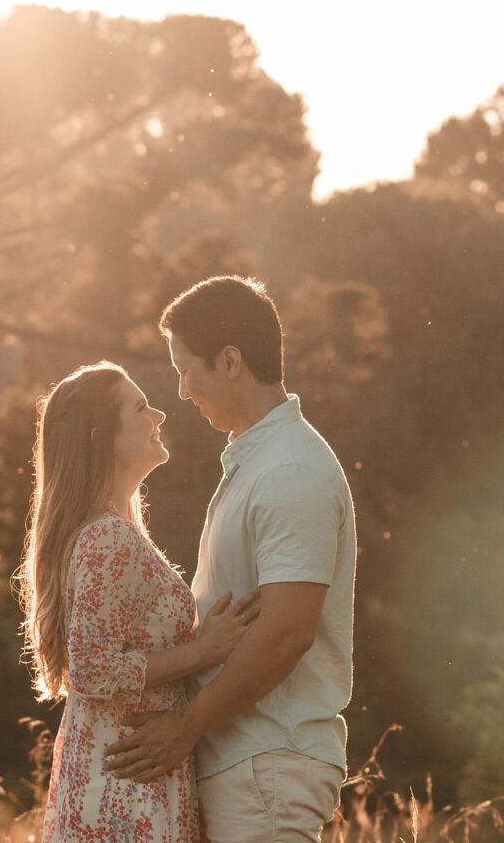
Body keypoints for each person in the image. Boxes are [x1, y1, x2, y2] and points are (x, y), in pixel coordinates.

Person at [107, 276, 358, 843]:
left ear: (230, 361)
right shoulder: (260, 462)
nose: (181, 390)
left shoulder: (289, 471)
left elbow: (289, 630)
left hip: (266, 764)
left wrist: (184, 728)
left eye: (186, 369)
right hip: (248, 763)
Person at [19, 361, 263, 842]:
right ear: (101, 437)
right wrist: (204, 650)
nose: (159, 415)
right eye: (139, 407)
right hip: (125, 790)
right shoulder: (108, 537)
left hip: (122, 772)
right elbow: (90, 668)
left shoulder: (108, 529)